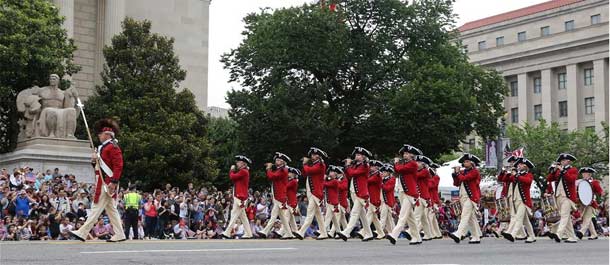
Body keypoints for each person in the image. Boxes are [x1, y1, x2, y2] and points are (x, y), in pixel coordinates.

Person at [69, 118, 125, 242]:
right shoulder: (102, 148)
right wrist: (94, 161)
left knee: (96, 208)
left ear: (107, 135)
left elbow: (118, 165)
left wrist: (114, 181)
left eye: (101, 134)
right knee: (111, 210)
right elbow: (98, 167)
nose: (99, 136)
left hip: (108, 181)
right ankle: (120, 233)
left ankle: (83, 232)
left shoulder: (112, 147)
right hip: (102, 180)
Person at [387, 144, 422, 245]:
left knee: (402, 215)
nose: (405, 155)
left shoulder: (412, 164)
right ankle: (417, 237)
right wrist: (397, 164)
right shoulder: (404, 164)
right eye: (404, 153)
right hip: (403, 191)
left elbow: (400, 169)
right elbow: (396, 172)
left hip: (410, 193)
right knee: (410, 217)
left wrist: (396, 163)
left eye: (407, 153)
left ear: (412, 155)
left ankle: (394, 234)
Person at [337, 147, 373, 241]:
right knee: (363, 215)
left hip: (361, 193)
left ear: (364, 157)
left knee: (354, 212)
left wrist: (349, 165)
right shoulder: (357, 165)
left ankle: (346, 232)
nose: (356, 157)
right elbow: (349, 175)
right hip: (354, 192)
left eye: (359, 155)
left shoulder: (365, 166)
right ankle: (368, 233)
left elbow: (353, 173)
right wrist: (348, 165)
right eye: (356, 155)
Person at [294, 147, 328, 240]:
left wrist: (305, 163)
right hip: (311, 191)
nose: (313, 156)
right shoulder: (313, 164)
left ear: (319, 156)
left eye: (315, 155)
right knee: (318, 214)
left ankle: (301, 232)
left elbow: (310, 171)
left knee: (310, 212)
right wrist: (306, 164)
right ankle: (324, 233)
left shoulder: (321, 164)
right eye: (312, 155)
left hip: (315, 192)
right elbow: (305, 174)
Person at [448, 153, 482, 244]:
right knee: (470, 218)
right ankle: (476, 236)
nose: (464, 163)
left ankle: (458, 234)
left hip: (471, 197)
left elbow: (465, 178)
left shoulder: (475, 171)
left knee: (465, 215)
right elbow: (456, 183)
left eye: (467, 161)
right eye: (464, 162)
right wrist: (455, 174)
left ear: (472, 163)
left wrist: (458, 173)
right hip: (463, 196)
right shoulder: (463, 172)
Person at [258, 152, 293, 239]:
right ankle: (289, 233)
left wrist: (269, 169)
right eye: (276, 160)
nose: (276, 161)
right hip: (277, 195)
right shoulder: (279, 169)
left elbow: (272, 176)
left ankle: (265, 231)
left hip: (280, 196)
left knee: (274, 215)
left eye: (279, 160)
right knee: (283, 218)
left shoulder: (283, 170)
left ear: (283, 162)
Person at [545, 153, 579, 243]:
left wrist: (562, 170)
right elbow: (548, 179)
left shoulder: (573, 170)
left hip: (568, 197)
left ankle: (558, 234)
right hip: (558, 196)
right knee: (566, 217)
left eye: (564, 161)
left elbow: (571, 180)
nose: (562, 162)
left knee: (564, 215)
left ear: (569, 161)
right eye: (561, 161)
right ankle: (572, 236)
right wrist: (553, 170)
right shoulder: (558, 171)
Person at [501, 158, 536, 243]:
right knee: (526, 221)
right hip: (516, 199)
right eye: (518, 165)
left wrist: (516, 175)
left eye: (520, 165)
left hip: (524, 201)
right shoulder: (517, 175)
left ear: (525, 166)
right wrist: (507, 172)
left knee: (518, 218)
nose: (518, 166)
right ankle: (532, 236)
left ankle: (512, 234)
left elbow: (527, 181)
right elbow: (505, 179)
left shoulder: (528, 175)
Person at [221, 155, 253, 239]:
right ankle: (249, 233)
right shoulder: (243, 171)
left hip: (240, 197)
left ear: (243, 164)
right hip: (240, 196)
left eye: (238, 162)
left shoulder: (243, 171)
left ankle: (227, 232)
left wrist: (231, 170)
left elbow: (232, 177)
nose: (237, 163)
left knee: (234, 215)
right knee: (243, 217)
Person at [576, 167, 604, 240]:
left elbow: (600, 191)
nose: (584, 175)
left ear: (589, 174)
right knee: (587, 219)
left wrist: (600, 194)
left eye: (585, 174)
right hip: (582, 203)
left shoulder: (594, 182)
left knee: (587, 218)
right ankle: (594, 234)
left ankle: (581, 232)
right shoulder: (580, 182)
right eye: (583, 174)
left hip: (591, 203)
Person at [414, 155, 433, 241]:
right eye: (416, 162)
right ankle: (428, 234)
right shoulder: (419, 171)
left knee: (416, 215)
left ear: (423, 164)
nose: (416, 164)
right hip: (419, 196)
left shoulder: (425, 171)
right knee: (423, 218)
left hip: (423, 196)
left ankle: (411, 232)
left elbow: (415, 176)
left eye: (419, 162)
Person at [366, 160, 385, 239]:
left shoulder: (377, 175)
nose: (371, 167)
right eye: (371, 166)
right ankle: (381, 233)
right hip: (371, 196)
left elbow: (367, 181)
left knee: (369, 215)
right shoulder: (372, 174)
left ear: (377, 167)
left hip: (375, 197)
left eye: (373, 166)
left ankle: (364, 231)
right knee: (374, 218)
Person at [322, 165, 341, 238]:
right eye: (330, 172)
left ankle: (321, 231)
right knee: (335, 220)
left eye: (332, 172)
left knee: (328, 218)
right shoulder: (331, 180)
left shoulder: (335, 181)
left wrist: (324, 179)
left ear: (335, 174)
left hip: (334, 202)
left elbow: (325, 184)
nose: (330, 173)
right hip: (330, 202)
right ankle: (339, 232)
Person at [379, 164, 396, 239]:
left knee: (383, 217)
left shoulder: (392, 179)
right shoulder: (383, 180)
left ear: (389, 173)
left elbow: (387, 188)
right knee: (389, 219)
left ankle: (379, 232)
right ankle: (393, 232)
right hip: (383, 201)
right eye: (383, 172)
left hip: (388, 201)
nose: (383, 173)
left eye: (385, 172)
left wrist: (381, 183)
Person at [427, 163, 442, 239]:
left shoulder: (436, 177)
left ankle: (431, 233)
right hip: (429, 198)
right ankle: (437, 233)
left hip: (434, 199)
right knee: (433, 219)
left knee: (429, 217)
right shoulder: (431, 177)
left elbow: (430, 186)